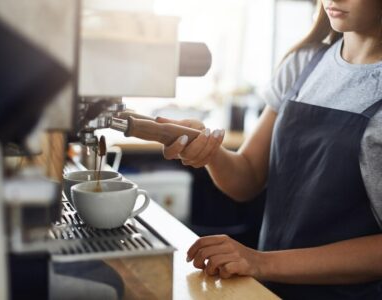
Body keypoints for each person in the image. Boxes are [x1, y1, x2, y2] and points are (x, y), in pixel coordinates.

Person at [157, 0, 382, 298]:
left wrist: (260, 261)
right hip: (269, 289)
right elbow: (248, 177)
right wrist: (209, 151)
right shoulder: (304, 62)